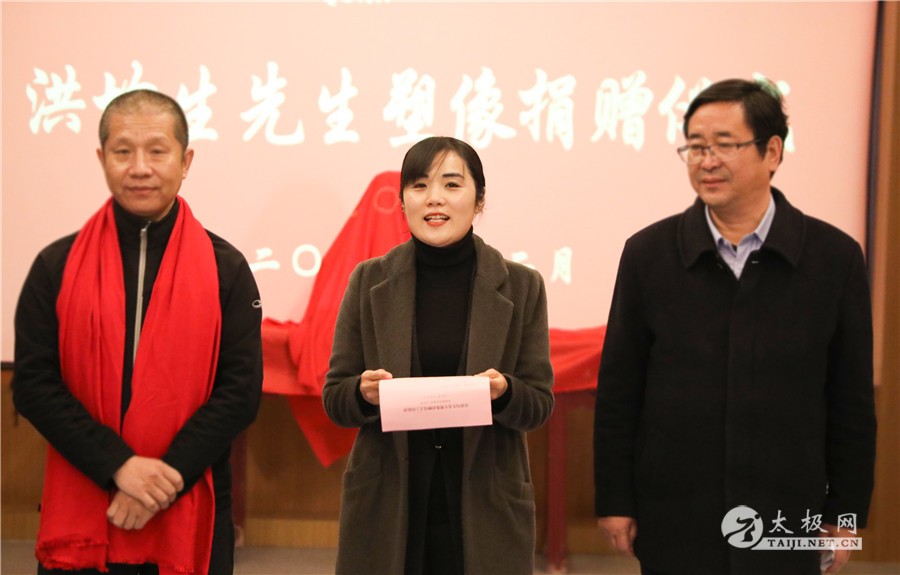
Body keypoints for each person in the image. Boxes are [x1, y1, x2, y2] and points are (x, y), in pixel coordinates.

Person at [593, 78, 876, 575]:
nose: (707, 161)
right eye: (696, 147)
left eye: (725, 145)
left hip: (788, 512)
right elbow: (620, 389)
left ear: (773, 152)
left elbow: (851, 402)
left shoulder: (834, 259)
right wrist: (615, 499)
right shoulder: (648, 254)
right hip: (677, 511)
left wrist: (845, 515)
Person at [12, 89, 263, 574]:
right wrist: (118, 467)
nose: (140, 167)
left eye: (157, 151)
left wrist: (163, 481)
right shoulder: (57, 265)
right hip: (88, 493)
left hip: (188, 492)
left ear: (185, 162)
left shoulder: (224, 268)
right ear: (102, 159)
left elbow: (240, 392)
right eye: (123, 151)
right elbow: (34, 385)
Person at [323, 136, 554, 575]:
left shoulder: (522, 286)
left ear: (479, 199)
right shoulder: (368, 281)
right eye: (419, 185)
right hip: (390, 500)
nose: (434, 199)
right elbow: (335, 399)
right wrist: (361, 393)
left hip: (486, 502)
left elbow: (539, 404)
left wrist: (504, 392)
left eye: (452, 184)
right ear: (402, 201)